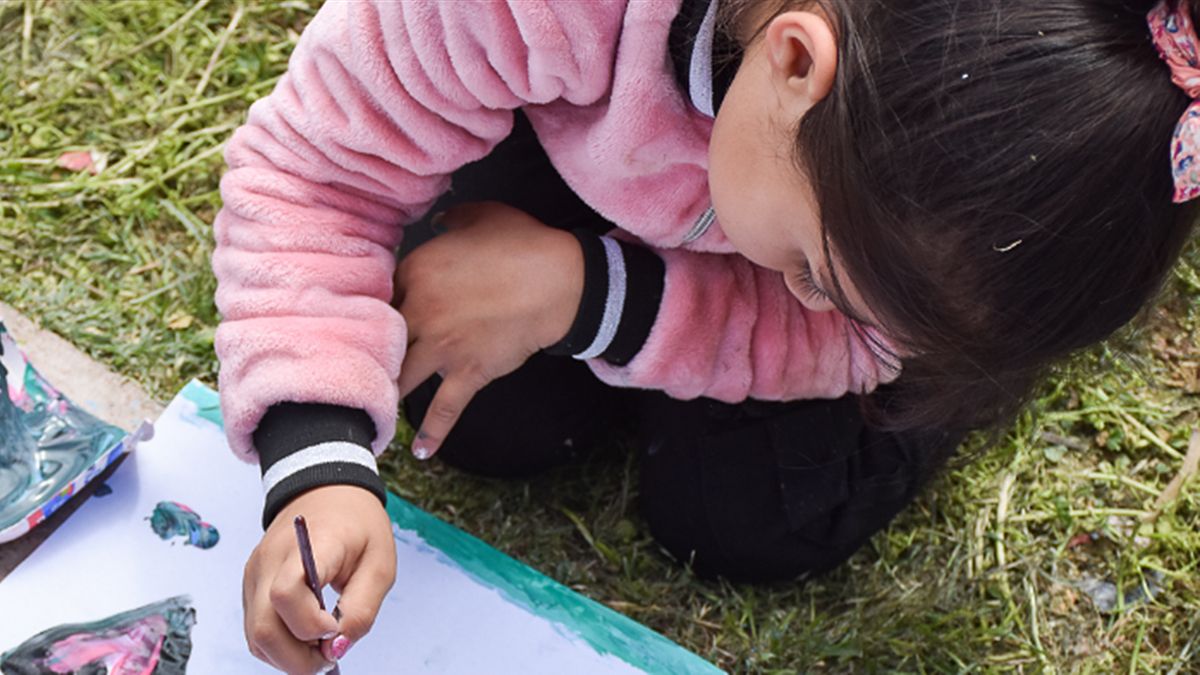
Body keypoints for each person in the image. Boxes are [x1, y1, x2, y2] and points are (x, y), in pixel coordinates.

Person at [212, 0, 1200, 672]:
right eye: (815, 273)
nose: (811, 302)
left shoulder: (934, 192)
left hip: (768, 194)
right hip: (592, 143)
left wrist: (592, 297)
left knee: (755, 518)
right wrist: (317, 460)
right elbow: (316, 178)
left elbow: (863, 345)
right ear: (795, 60)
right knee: (458, 396)